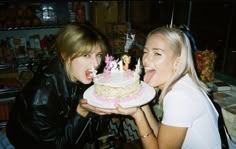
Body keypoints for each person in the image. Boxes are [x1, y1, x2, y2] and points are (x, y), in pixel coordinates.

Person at [81, 26, 222, 148]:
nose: (146, 60)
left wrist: (138, 115)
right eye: (146, 51)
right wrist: (140, 103)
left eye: (157, 53)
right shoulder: (182, 84)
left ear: (177, 63)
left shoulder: (179, 96)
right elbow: (162, 135)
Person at [6, 23, 110, 149]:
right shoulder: (40, 97)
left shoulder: (82, 77)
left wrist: (105, 104)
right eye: (86, 55)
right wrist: (81, 112)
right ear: (65, 55)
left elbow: (91, 134)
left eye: (98, 55)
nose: (96, 64)